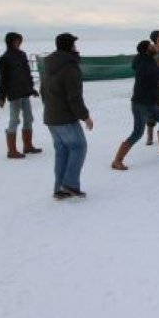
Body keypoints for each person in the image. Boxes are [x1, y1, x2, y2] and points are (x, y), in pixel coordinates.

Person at [40, 32, 94, 199]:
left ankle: (60, 188)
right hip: (64, 117)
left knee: (62, 152)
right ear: (70, 47)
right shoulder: (70, 67)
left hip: (51, 117)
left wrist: (49, 109)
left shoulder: (48, 65)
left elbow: (43, 91)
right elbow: (74, 97)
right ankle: (69, 184)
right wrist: (85, 116)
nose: (76, 48)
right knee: (79, 147)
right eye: (74, 44)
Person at [111, 40, 159, 170]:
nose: (153, 46)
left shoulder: (148, 60)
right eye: (151, 45)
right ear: (147, 50)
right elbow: (158, 74)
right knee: (137, 133)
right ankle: (117, 161)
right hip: (140, 105)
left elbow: (157, 73)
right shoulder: (143, 63)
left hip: (150, 103)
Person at [0, 31, 42, 159]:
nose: (18, 43)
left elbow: (27, 74)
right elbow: (3, 79)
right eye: (16, 41)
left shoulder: (22, 55)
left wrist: (32, 89)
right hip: (14, 94)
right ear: (10, 42)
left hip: (25, 92)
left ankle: (27, 146)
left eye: (19, 41)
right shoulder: (4, 59)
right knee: (14, 120)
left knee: (29, 118)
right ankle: (11, 150)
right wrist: (2, 96)